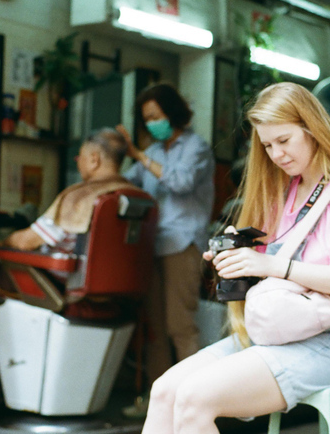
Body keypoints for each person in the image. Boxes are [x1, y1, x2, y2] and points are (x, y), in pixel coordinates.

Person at [139, 82, 330, 433]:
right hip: (270, 333)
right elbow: (265, 275)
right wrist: (237, 258)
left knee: (194, 397)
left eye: (284, 141)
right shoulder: (286, 190)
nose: (277, 154)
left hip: (325, 342)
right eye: (267, 145)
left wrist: (272, 265)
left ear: (313, 129)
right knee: (164, 390)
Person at [0, 128, 132, 334]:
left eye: (80, 157)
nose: (77, 162)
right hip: (117, 296)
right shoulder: (132, 194)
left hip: (60, 287)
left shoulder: (81, 197)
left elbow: (25, 242)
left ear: (94, 159)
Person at [116, 83, 215, 415]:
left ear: (173, 113)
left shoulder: (196, 147)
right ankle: (157, 404)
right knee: (155, 328)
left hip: (183, 245)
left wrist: (139, 154)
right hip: (154, 245)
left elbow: (180, 182)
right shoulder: (155, 152)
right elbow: (127, 183)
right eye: (147, 119)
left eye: (155, 116)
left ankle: (196, 405)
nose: (151, 124)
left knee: (180, 325)